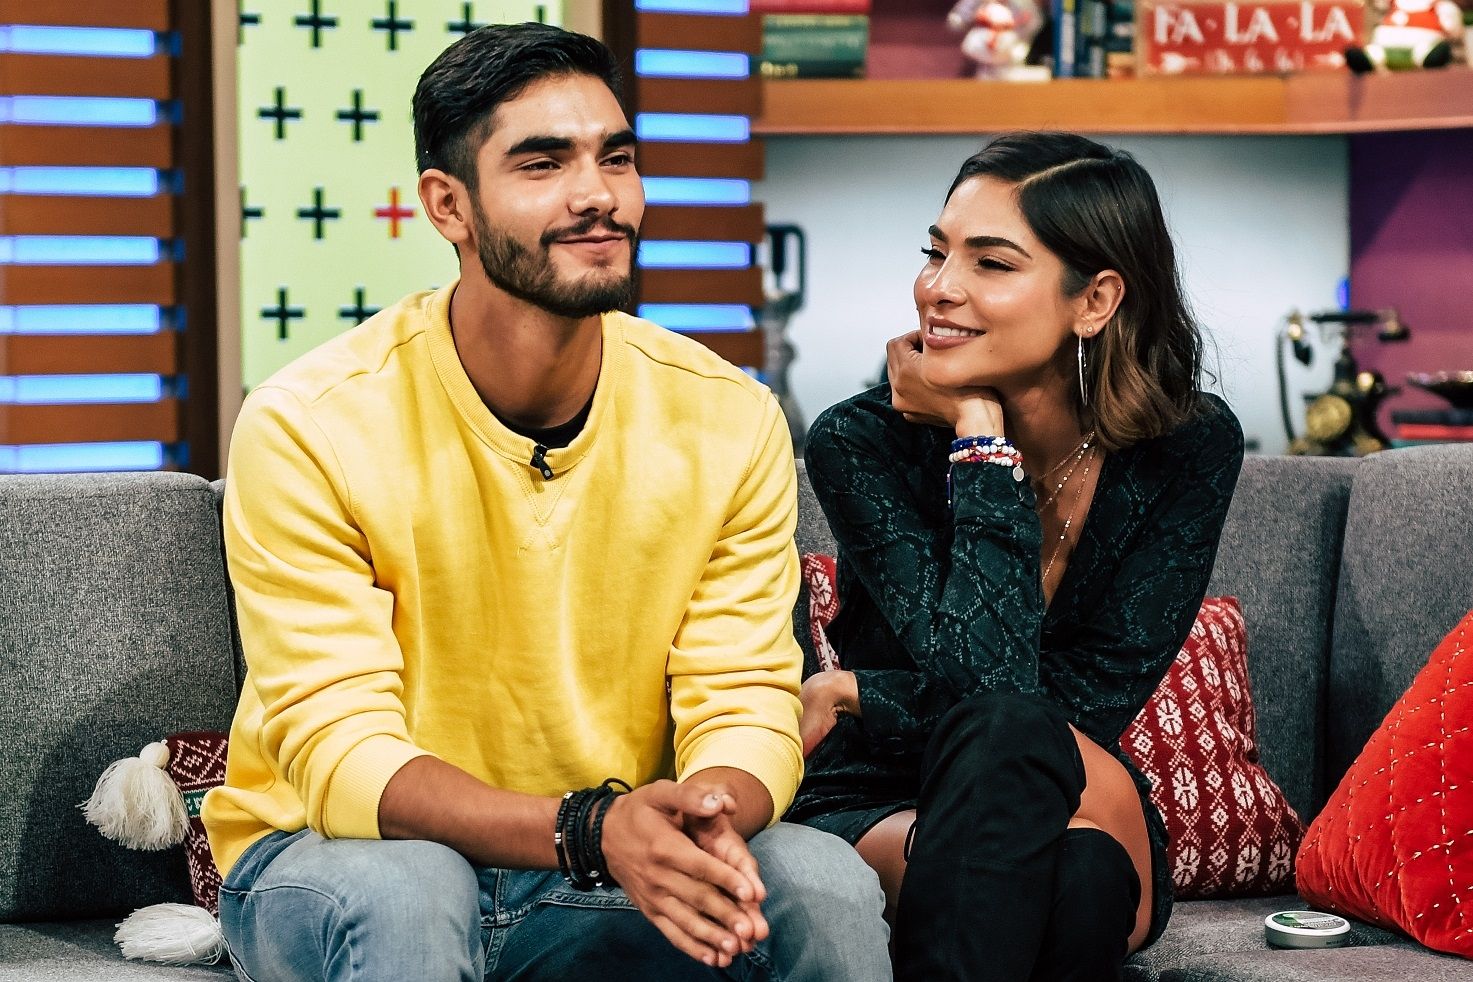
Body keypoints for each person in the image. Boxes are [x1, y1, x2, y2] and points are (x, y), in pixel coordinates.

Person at [202, 22, 890, 982]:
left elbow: (741, 696)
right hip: (345, 858)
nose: (597, 193)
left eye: (616, 158)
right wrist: (586, 828)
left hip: (616, 857)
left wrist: (703, 815)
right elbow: (341, 754)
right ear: (448, 205)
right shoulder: (311, 421)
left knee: (822, 882)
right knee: (411, 892)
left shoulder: (726, 415)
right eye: (542, 162)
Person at [788, 132, 1244, 981]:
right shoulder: (859, 443)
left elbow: (1082, 701)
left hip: (1073, 775)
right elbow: (985, 685)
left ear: (1095, 299)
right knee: (1078, 879)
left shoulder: (1187, 446)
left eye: (990, 263)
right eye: (935, 252)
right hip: (882, 793)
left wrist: (861, 692)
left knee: (1016, 738)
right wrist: (979, 438)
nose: (938, 287)